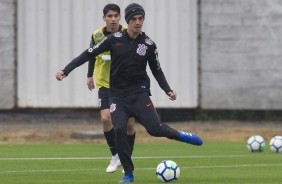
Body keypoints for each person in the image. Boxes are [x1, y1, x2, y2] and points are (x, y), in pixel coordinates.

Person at [55, 3, 203, 183]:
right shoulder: (114, 39)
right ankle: (128, 174)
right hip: (117, 95)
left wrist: (168, 90)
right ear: (127, 21)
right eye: (133, 19)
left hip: (139, 94)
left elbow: (156, 70)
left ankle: (181, 136)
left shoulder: (149, 44)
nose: (137, 22)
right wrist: (66, 70)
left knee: (155, 130)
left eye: (140, 19)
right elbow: (88, 54)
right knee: (119, 129)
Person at [57, 3, 136, 174]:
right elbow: (91, 54)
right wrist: (89, 75)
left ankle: (127, 158)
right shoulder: (97, 35)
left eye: (116, 16)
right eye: (110, 16)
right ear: (104, 18)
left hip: (123, 86)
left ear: (120, 17)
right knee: (106, 119)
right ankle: (115, 155)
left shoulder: (126, 33)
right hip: (104, 84)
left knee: (130, 124)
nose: (113, 19)